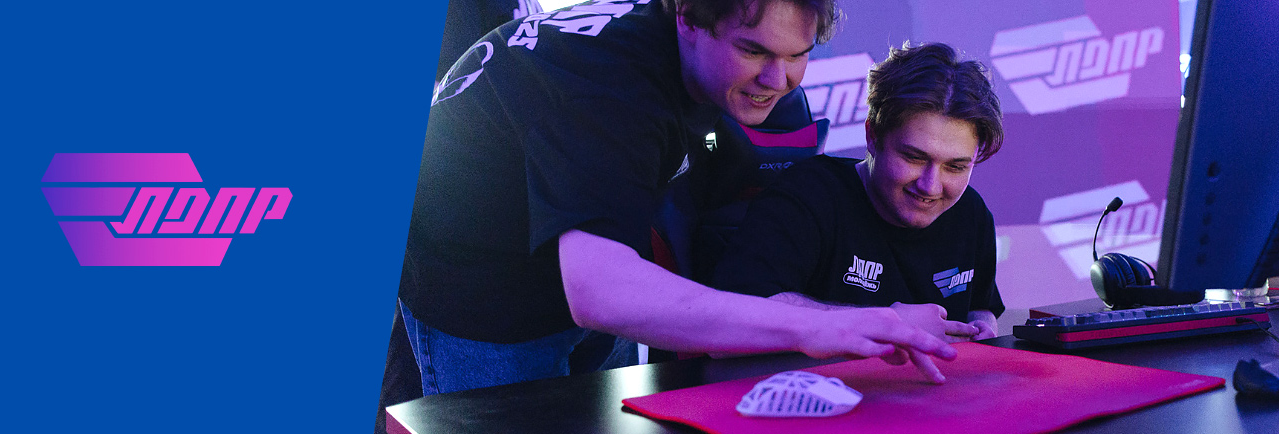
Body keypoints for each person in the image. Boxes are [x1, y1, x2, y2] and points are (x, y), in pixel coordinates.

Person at [399, 0, 961, 395]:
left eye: (798, 54)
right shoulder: (610, 90)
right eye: (754, 50)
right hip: (478, 290)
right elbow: (602, 292)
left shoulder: (674, 46)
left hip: (572, 262)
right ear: (688, 17)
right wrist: (817, 327)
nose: (779, 80)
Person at [710, 42, 1007, 345]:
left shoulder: (970, 213)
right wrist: (886, 324)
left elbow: (981, 307)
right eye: (914, 158)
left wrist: (982, 329)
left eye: (955, 167)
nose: (930, 186)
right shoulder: (807, 196)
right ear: (872, 136)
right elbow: (732, 317)